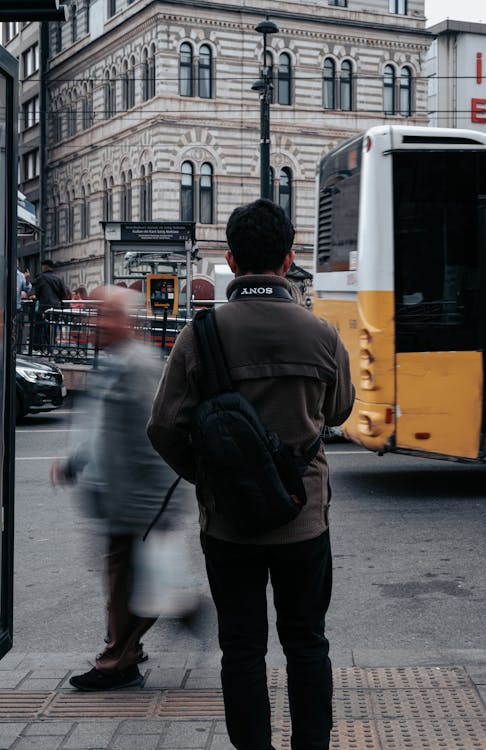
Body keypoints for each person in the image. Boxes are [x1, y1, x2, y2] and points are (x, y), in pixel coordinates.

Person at [147, 199, 355, 750]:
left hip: (229, 525)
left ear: (232, 261)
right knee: (307, 641)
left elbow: (163, 428)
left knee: (241, 648)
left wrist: (213, 478)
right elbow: (337, 413)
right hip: (303, 519)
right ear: (289, 261)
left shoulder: (202, 334)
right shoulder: (323, 335)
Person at [50, 285, 181, 691]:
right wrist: (75, 464)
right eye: (98, 314)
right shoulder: (112, 361)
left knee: (129, 583)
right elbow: (100, 430)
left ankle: (116, 661)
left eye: (108, 315)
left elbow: (157, 436)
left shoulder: (139, 365)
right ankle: (129, 645)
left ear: (129, 321)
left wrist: (155, 505)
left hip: (137, 503)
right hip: (117, 499)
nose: (98, 322)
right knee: (125, 580)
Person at [30, 259, 67, 349]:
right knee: (53, 326)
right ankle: (51, 344)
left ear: (45, 267)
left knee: (40, 326)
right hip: (56, 308)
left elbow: (36, 293)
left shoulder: (41, 278)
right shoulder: (58, 278)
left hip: (44, 307)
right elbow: (64, 294)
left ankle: (40, 346)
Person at [16, 262, 32, 352]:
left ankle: (18, 349)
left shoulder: (20, 275)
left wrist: (27, 280)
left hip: (17, 307)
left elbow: (27, 288)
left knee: (18, 329)